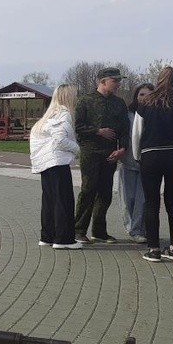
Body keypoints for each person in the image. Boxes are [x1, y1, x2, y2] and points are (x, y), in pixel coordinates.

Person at [131, 66, 173, 262]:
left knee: (151, 202)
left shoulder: (145, 103)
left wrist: (138, 155)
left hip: (150, 156)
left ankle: (153, 249)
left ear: (158, 80)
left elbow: (136, 133)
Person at [73, 67, 129, 244]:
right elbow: (77, 126)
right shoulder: (85, 101)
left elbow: (124, 129)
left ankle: (99, 231)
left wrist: (123, 149)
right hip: (90, 151)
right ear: (103, 81)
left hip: (110, 152)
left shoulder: (119, 103)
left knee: (105, 192)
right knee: (88, 189)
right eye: (115, 81)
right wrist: (98, 131)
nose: (118, 84)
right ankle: (78, 230)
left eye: (119, 81)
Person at [30, 84, 82, 249]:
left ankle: (47, 236)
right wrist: (76, 148)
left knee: (49, 201)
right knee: (63, 201)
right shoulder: (63, 114)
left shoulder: (48, 116)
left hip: (45, 164)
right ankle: (63, 239)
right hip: (57, 162)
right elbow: (60, 139)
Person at [118, 83, 153, 243]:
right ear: (136, 96)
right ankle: (132, 228)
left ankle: (139, 229)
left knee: (143, 200)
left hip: (148, 164)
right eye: (141, 94)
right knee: (128, 199)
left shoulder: (155, 114)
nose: (144, 98)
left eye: (147, 95)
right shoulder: (127, 115)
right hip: (128, 162)